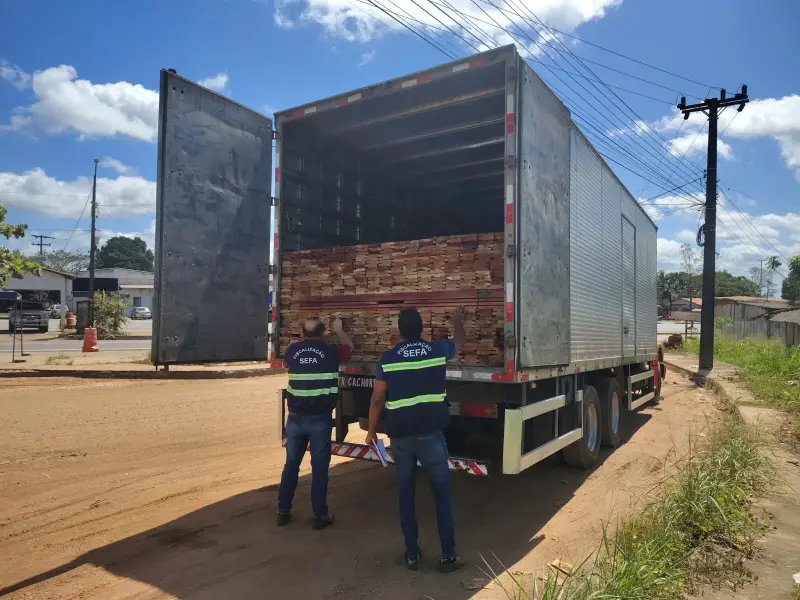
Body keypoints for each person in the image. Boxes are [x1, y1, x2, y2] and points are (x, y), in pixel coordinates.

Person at [365, 307, 466, 572]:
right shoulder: (437, 351)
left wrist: (371, 431)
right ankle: (448, 556)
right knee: (442, 495)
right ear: (422, 329)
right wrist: (457, 322)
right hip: (431, 437)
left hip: (400, 439)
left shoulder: (388, 359)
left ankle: (412, 554)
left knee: (406, 496)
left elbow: (377, 399)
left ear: (399, 331)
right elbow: (460, 343)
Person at [278, 317, 353, 529]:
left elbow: (288, 363)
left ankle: (282, 511)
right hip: (319, 419)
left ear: (302, 334)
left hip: (295, 418)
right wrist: (338, 330)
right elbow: (350, 348)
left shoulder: (292, 352)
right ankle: (320, 515)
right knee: (319, 469)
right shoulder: (330, 352)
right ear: (322, 334)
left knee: (291, 465)